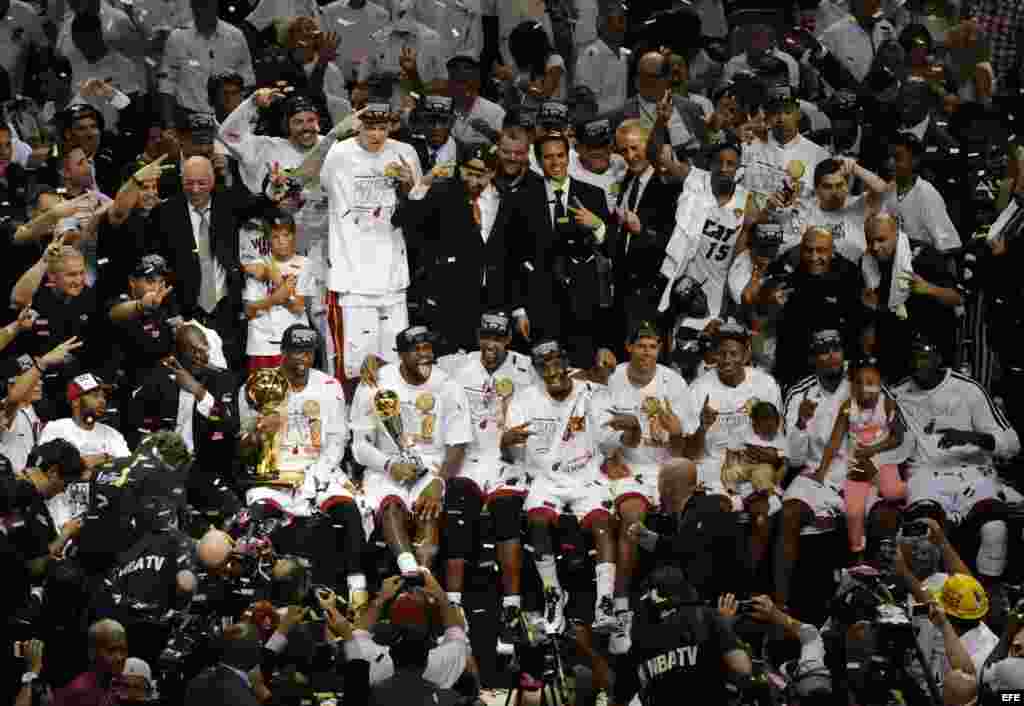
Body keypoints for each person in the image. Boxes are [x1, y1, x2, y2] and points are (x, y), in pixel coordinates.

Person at [503, 339, 618, 634]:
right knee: (538, 522)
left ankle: (605, 603)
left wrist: (627, 429)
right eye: (544, 366)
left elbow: (609, 442)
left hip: (585, 475)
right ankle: (553, 594)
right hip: (545, 478)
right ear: (538, 371)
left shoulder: (591, 394)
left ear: (567, 364)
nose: (552, 370)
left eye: (557, 363)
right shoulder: (525, 399)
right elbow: (511, 452)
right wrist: (506, 443)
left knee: (603, 523)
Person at [602, 321, 695, 651]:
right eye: (640, 344)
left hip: (666, 466)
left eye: (652, 345)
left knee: (690, 516)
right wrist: (612, 458)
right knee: (631, 518)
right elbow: (601, 430)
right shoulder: (614, 378)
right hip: (629, 468)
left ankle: (689, 607)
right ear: (628, 347)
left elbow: (686, 449)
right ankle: (621, 608)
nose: (646, 351)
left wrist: (678, 432)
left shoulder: (675, 383)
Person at [350, 325, 471, 577]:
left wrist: (439, 481)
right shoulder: (375, 382)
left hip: (431, 465)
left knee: (429, 510)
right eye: (416, 349)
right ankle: (408, 571)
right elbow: (359, 446)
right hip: (385, 465)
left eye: (428, 348)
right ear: (401, 355)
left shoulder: (449, 385)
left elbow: (458, 444)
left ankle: (424, 580)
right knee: (391, 506)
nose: (425, 354)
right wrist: (389, 466)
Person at [320, 100, 422, 394]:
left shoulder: (405, 153)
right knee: (356, 366)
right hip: (353, 279)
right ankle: (356, 429)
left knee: (395, 363)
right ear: (358, 126)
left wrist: (406, 186)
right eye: (369, 127)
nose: (376, 134)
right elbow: (318, 183)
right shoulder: (339, 154)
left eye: (382, 127)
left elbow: (418, 213)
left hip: (393, 277)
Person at [609, 564, 753, 706]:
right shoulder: (705, 616)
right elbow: (742, 667)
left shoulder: (638, 639)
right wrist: (724, 629)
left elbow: (618, 697)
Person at [815, 355, 906, 555]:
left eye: (871, 383)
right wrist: (821, 471)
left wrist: (873, 450)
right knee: (854, 511)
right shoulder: (848, 407)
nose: (865, 387)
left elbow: (898, 438)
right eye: (859, 382)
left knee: (892, 491)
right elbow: (834, 441)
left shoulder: (887, 404)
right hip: (857, 465)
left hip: (882, 461)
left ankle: (911, 493)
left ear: (880, 384)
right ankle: (857, 553)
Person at [53, 619, 130, 706]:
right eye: (111, 651)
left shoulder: (118, 687)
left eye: (123, 650)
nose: (120, 657)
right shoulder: (80, 693)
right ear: (92, 653)